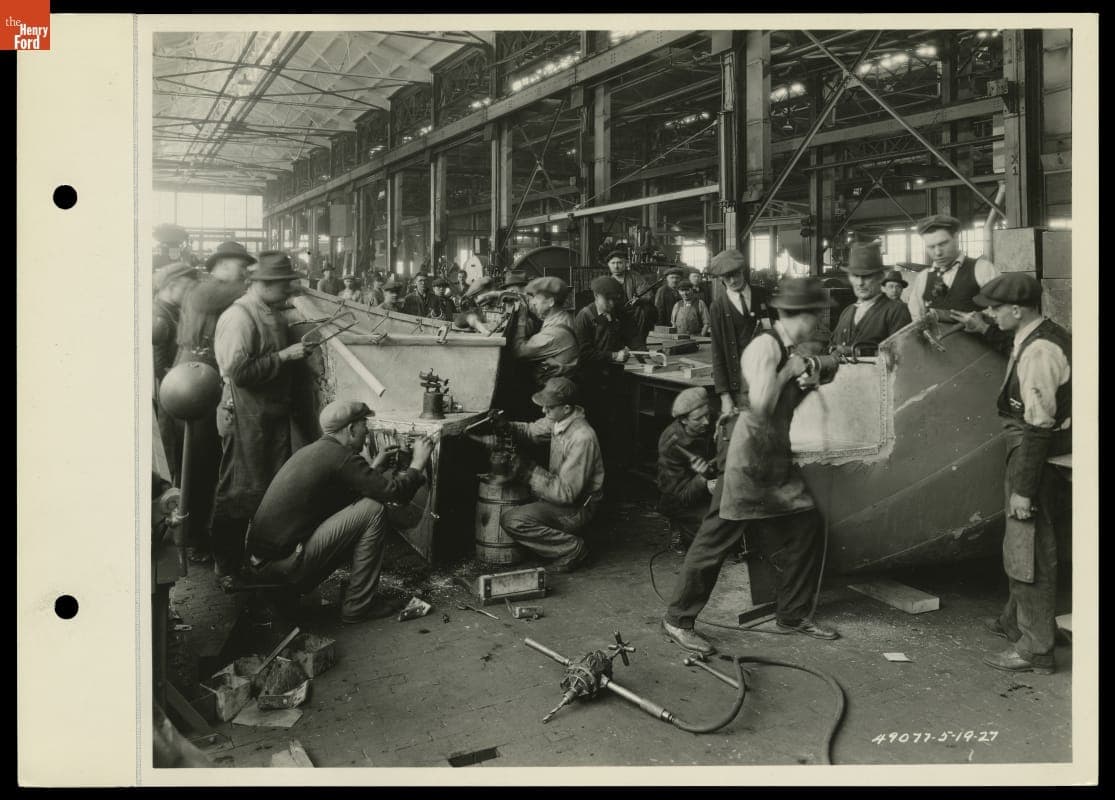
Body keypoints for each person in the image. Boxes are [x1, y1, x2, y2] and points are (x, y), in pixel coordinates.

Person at [662, 277, 842, 655]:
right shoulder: (765, 347)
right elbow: (761, 405)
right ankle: (678, 618)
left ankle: (792, 613)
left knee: (807, 524)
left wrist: (812, 371)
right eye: (816, 315)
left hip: (774, 454)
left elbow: (793, 391)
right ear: (801, 315)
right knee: (717, 538)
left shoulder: (790, 348)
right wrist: (790, 372)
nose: (818, 324)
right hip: (748, 453)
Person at [952, 274, 1071, 674]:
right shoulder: (1037, 333)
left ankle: (1036, 649)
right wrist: (983, 329)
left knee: (1028, 549)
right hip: (1031, 441)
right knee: (1023, 545)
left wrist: (1024, 489)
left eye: (995, 309)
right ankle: (1015, 622)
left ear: (1017, 310)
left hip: (1035, 448)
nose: (990, 313)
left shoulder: (1040, 352)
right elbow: (1012, 348)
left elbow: (1039, 427)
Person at [245, 400, 438, 623]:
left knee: (361, 508)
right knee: (373, 510)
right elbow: (396, 495)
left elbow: (336, 498)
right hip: (283, 571)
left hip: (262, 568)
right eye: (364, 426)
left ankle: (290, 596)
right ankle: (358, 607)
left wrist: (374, 469)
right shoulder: (341, 457)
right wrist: (417, 463)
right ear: (351, 429)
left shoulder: (316, 450)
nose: (367, 433)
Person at [211, 252, 312, 588]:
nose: (287, 291)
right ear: (265, 284)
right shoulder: (238, 317)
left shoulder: (269, 311)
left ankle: (255, 558)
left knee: (268, 489)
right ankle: (226, 566)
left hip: (270, 415)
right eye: (283, 285)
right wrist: (284, 356)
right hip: (245, 416)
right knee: (239, 490)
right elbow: (239, 373)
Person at [173, 241, 257, 564]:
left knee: (208, 459)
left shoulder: (217, 291)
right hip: (194, 378)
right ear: (221, 264)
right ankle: (192, 538)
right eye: (240, 265)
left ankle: (198, 533)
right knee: (197, 460)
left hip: (204, 375)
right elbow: (240, 295)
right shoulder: (203, 290)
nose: (245, 271)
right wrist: (261, 284)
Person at [497, 378, 605, 573]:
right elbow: (532, 431)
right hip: (560, 495)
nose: (543, 410)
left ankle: (572, 548)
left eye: (549, 407)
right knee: (519, 500)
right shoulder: (560, 419)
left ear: (566, 408)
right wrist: (506, 426)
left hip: (577, 507)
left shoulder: (582, 437)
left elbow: (566, 494)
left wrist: (528, 472)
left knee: (513, 520)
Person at [707, 247, 777, 420]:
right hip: (739, 386)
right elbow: (718, 352)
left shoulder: (764, 296)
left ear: (743, 271)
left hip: (769, 378)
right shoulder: (718, 307)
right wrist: (724, 396)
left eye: (736, 274)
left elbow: (781, 334)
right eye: (726, 277)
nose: (732, 280)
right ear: (721, 278)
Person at [153, 263, 200, 485]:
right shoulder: (159, 319)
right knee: (171, 449)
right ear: (171, 286)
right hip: (169, 395)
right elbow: (158, 369)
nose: (189, 294)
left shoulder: (172, 311)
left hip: (177, 390)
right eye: (186, 288)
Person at [656, 387, 716, 555]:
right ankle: (679, 527)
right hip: (681, 499)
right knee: (713, 527)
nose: (706, 422)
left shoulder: (710, 423)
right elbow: (679, 495)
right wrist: (702, 478)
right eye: (698, 419)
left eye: (707, 415)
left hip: (710, 485)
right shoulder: (671, 444)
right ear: (683, 420)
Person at [908, 214, 1000, 321]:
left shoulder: (983, 269)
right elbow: (918, 319)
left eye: (942, 244)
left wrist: (983, 324)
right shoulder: (923, 278)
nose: (937, 252)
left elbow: (1003, 312)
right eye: (931, 247)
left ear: (956, 238)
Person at [829, 242, 912, 355]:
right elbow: (832, 347)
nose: (860, 283)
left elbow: (902, 355)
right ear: (849, 277)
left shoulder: (896, 311)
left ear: (880, 277)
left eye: (867, 276)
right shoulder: (847, 312)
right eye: (855, 276)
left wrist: (857, 352)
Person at [508, 276, 580, 388]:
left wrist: (522, 318)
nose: (533, 302)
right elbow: (533, 306)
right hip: (556, 382)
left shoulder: (555, 332)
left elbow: (519, 351)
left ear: (551, 302)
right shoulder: (560, 316)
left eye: (536, 298)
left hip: (553, 390)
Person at [602, 250, 657, 348]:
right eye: (613, 263)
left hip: (634, 310)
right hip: (617, 311)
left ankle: (639, 342)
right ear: (608, 265)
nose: (616, 266)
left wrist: (639, 300)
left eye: (619, 263)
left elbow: (647, 293)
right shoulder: (607, 281)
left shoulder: (635, 276)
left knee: (644, 310)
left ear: (625, 263)